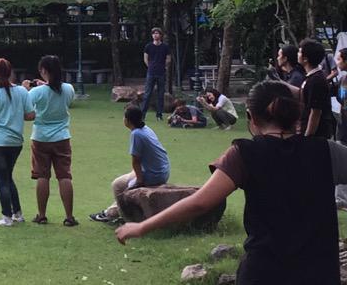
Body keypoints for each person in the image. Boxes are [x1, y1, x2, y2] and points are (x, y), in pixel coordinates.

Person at [116, 81, 347, 284]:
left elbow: (199, 203)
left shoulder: (244, 154)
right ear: (296, 117)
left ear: (251, 117)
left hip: (265, 272)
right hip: (319, 273)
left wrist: (143, 226)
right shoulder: (325, 151)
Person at [23, 55, 78, 226]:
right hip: (62, 137)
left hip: (41, 138)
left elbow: (26, 110)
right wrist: (44, 85)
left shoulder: (36, 92)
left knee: (42, 176)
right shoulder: (69, 89)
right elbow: (61, 96)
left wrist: (26, 90)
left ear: (44, 71)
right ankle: (69, 217)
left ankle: (42, 214)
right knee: (64, 176)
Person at [90, 105, 170, 223]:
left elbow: (136, 161)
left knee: (126, 191)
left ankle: (119, 216)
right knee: (117, 184)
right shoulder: (145, 128)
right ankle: (112, 213)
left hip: (154, 174)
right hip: (158, 170)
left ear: (127, 120)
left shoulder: (137, 134)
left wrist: (139, 180)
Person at [0, 58, 35, 227]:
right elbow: (30, 115)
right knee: (8, 177)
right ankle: (17, 213)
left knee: (2, 180)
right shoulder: (21, 91)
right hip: (15, 141)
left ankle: (6, 217)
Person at [299, 38, 335, 138]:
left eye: (299, 52)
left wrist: (308, 136)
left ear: (305, 58)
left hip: (317, 136)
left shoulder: (316, 81)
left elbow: (315, 112)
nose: (297, 54)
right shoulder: (311, 77)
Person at [142, 27, 171, 121]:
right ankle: (143, 114)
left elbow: (168, 59)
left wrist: (164, 66)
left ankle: (159, 114)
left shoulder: (165, 47)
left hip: (161, 73)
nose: (155, 35)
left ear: (161, 35)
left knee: (160, 94)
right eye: (154, 33)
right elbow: (145, 58)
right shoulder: (148, 46)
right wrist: (150, 66)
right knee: (147, 94)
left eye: (157, 33)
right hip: (151, 72)